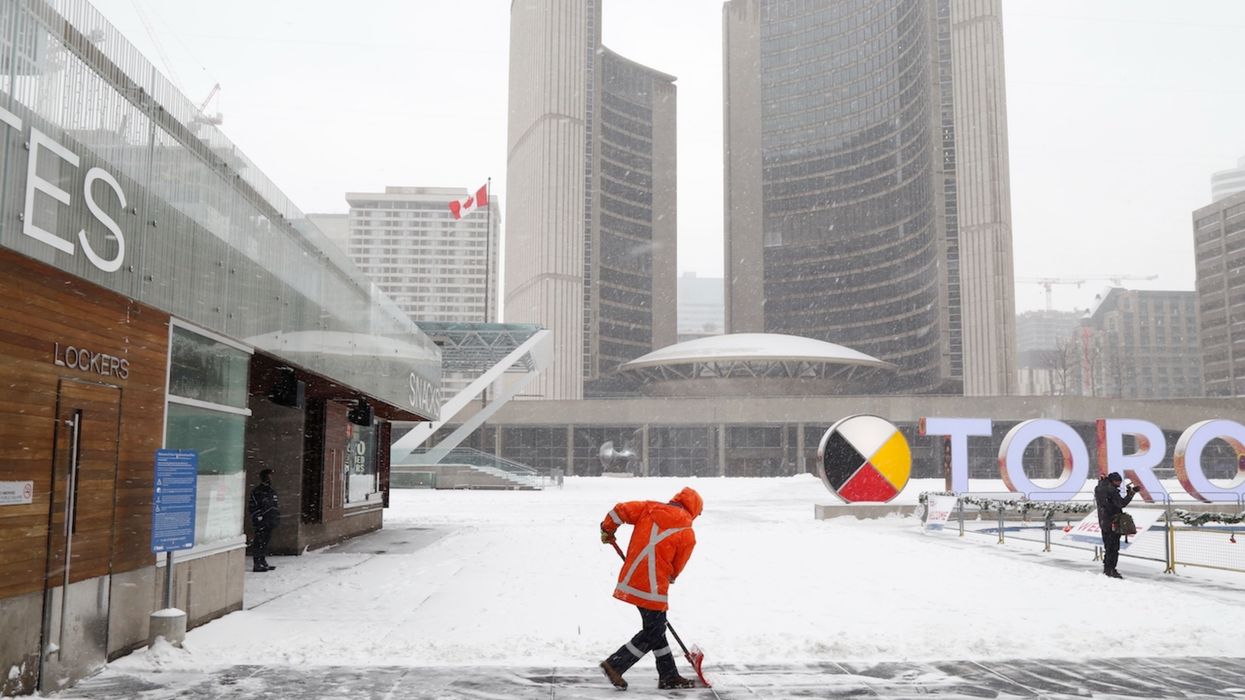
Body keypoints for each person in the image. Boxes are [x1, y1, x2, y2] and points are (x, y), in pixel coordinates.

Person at [598, 487, 703, 691]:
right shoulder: (687, 532)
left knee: (657, 629)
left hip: (633, 578)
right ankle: (615, 664)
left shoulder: (648, 508)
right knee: (654, 631)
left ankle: (669, 676)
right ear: (694, 510)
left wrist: (607, 529)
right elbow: (677, 567)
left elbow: (619, 510)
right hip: (653, 587)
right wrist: (671, 577)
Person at [1094, 471, 1137, 579]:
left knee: (1108, 546)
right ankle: (1111, 569)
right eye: (1118, 482)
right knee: (1113, 547)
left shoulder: (1099, 487)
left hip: (1103, 521)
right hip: (1113, 521)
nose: (1119, 484)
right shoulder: (1111, 490)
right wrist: (1130, 494)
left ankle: (1107, 568)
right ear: (1113, 481)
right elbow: (1121, 503)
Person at [248, 468, 280, 572]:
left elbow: (274, 506)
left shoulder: (271, 491)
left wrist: (275, 518)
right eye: (269, 475)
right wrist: (259, 517)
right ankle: (257, 563)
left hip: (269, 521)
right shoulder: (258, 491)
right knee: (259, 542)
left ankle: (262, 561)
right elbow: (253, 506)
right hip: (261, 521)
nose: (271, 477)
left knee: (265, 542)